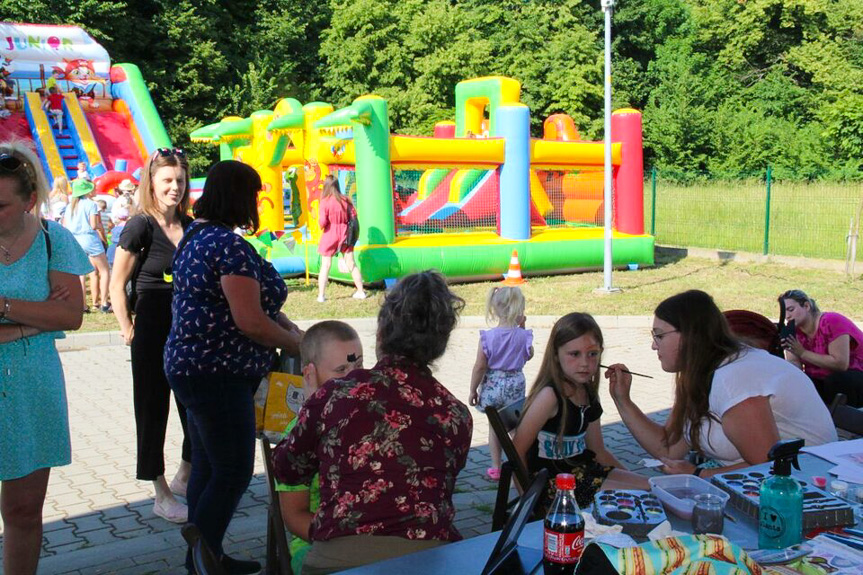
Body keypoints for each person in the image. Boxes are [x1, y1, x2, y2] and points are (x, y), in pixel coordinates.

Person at [273, 271, 472, 575]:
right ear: (440, 346)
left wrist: (312, 409)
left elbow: (286, 466)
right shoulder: (455, 415)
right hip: (429, 560)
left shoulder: (335, 394)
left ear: (380, 335)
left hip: (337, 562)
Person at [164, 160, 303, 575]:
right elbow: (250, 321)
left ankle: (207, 556)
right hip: (218, 375)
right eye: (255, 194)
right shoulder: (227, 246)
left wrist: (281, 325)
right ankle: (203, 563)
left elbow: (252, 310)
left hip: (193, 368)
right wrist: (301, 344)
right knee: (232, 471)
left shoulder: (196, 237)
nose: (258, 203)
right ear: (239, 196)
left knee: (208, 468)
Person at [606, 290, 837, 479]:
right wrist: (622, 400)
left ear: (689, 335)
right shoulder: (701, 374)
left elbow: (768, 467)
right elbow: (669, 449)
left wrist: (699, 473)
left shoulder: (732, 377)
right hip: (770, 487)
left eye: (659, 335)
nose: (654, 346)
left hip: (809, 486)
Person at [0, 142, 91, 574]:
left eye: (0, 204)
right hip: (32, 358)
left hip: (32, 386)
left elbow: (71, 314)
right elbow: (55, 314)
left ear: (29, 201)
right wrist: (37, 318)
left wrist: (4, 309)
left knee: (22, 511)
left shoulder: (55, 239)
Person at [109, 149, 194, 524]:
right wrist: (128, 328)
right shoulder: (139, 226)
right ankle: (160, 490)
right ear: (153, 185)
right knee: (152, 409)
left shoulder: (191, 226)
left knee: (195, 407)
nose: (174, 188)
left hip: (190, 334)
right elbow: (116, 283)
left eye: (179, 181)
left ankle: (185, 475)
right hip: (152, 333)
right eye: (167, 181)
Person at [513, 313, 649, 508]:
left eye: (592, 354)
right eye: (574, 354)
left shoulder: (588, 392)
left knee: (652, 488)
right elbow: (517, 450)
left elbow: (598, 451)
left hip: (583, 473)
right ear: (556, 355)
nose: (585, 363)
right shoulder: (550, 396)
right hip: (554, 487)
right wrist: (527, 503)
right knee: (636, 497)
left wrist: (633, 476)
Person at [276, 320, 364, 575]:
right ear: (310, 375)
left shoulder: (373, 417)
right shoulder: (297, 434)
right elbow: (294, 516)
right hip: (316, 544)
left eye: (358, 365)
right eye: (341, 369)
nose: (354, 377)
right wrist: (343, 542)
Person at [469, 286, 533, 480]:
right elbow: (528, 355)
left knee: (495, 426)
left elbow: (480, 366)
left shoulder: (487, 337)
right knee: (514, 426)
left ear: (495, 309)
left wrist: (473, 389)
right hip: (515, 383)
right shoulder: (524, 335)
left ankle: (496, 467)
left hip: (493, 384)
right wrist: (522, 329)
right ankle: (520, 461)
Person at [778, 289, 863, 407]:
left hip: (854, 376)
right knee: (801, 384)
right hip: (822, 379)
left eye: (791, 310)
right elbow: (794, 365)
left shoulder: (831, 321)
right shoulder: (794, 332)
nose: (787, 316)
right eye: (784, 312)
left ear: (806, 306)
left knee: (836, 380)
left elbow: (840, 364)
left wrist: (802, 353)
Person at [62, 179, 111, 312]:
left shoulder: (70, 206)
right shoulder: (91, 204)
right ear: (87, 191)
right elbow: (94, 225)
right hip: (89, 238)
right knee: (104, 270)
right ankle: (104, 303)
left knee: (81, 274)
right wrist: (102, 232)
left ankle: (83, 305)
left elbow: (64, 226)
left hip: (74, 239)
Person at [316, 175, 365, 302]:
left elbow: (322, 223)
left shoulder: (325, 201)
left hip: (330, 234)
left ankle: (321, 295)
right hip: (345, 234)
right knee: (351, 264)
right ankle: (361, 291)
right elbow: (354, 216)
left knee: (325, 265)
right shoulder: (345, 200)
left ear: (326, 186)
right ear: (337, 185)